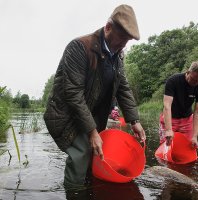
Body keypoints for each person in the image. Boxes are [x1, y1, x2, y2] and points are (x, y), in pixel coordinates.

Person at [43, 4, 146, 187]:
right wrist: (92, 132)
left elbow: (123, 88)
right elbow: (73, 94)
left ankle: (89, 186)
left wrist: (134, 121)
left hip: (91, 114)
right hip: (66, 114)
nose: (123, 44)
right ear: (108, 28)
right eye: (121, 37)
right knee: (81, 152)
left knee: (97, 154)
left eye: (127, 41)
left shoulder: (117, 56)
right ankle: (74, 192)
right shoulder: (79, 47)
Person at [159, 61, 198, 147]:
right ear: (188, 72)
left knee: (187, 147)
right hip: (170, 118)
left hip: (187, 120)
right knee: (166, 147)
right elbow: (167, 106)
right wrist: (169, 129)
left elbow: (197, 112)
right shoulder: (173, 81)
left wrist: (195, 136)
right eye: (194, 79)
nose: (196, 83)